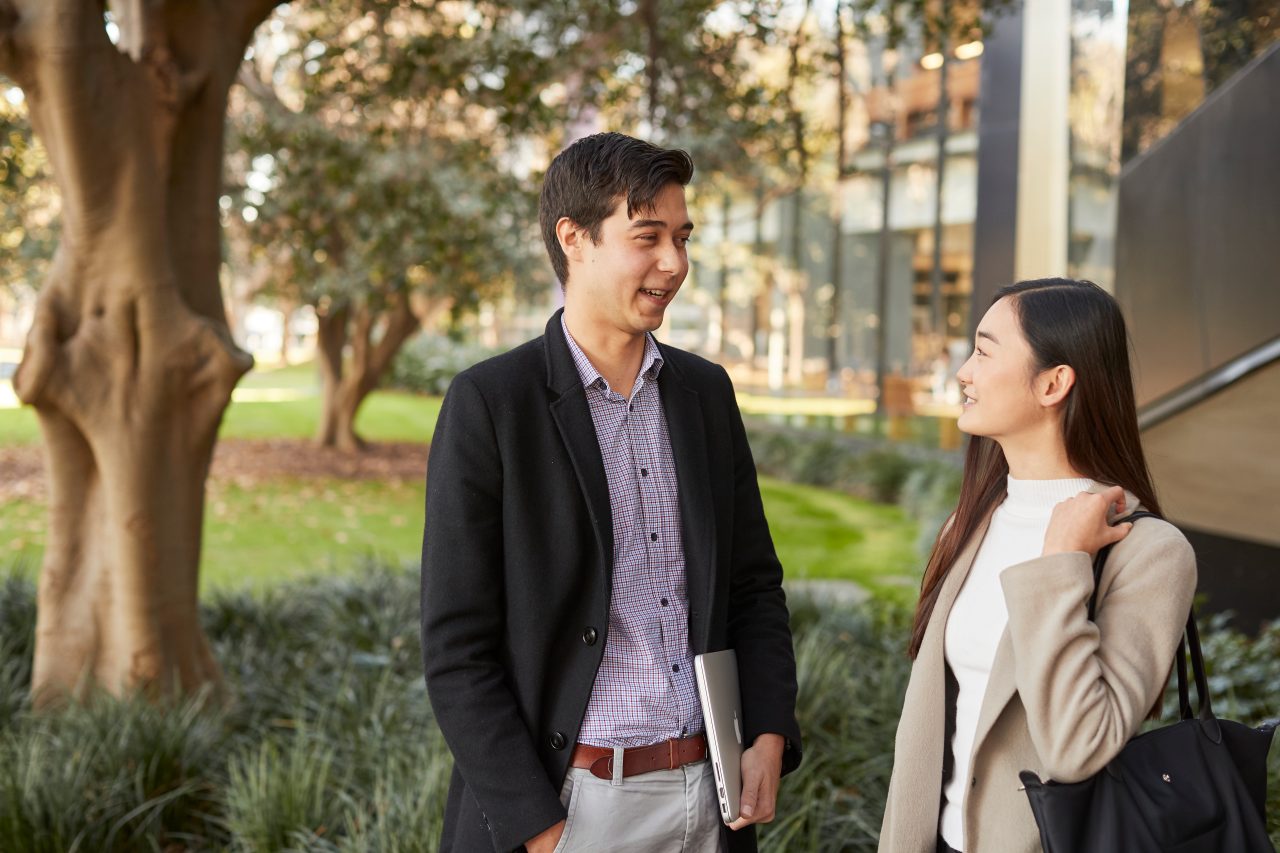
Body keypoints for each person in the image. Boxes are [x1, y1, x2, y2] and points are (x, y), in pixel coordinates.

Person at [420, 132, 802, 853]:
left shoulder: (705, 394)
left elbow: (753, 586)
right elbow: (456, 648)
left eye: (682, 238)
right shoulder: (491, 403)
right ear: (576, 239)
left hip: (710, 803)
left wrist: (769, 729)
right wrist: (544, 829)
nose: (674, 263)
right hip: (573, 807)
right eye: (648, 236)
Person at [878, 278, 1197, 853]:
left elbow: (1078, 747)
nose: (964, 373)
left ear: (1053, 383)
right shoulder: (972, 523)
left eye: (983, 349)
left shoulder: (1149, 553)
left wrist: (1065, 560)